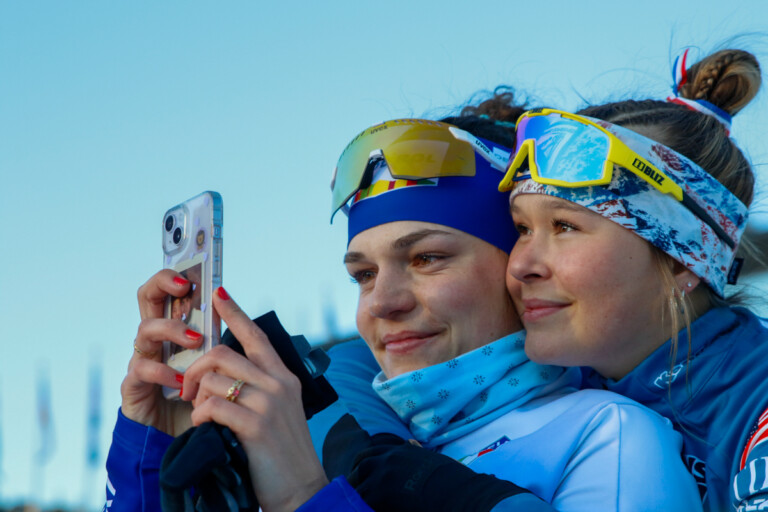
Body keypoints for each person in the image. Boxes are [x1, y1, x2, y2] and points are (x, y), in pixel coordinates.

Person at [105, 113, 702, 511]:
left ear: (515, 266)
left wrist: (306, 497)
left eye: (428, 258)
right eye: (363, 274)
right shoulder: (320, 432)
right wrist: (149, 445)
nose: (383, 303)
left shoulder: (609, 438)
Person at [494, 48, 766, 512]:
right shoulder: (561, 379)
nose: (521, 266)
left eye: (565, 227)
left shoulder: (752, 405)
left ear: (685, 260)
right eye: (522, 229)